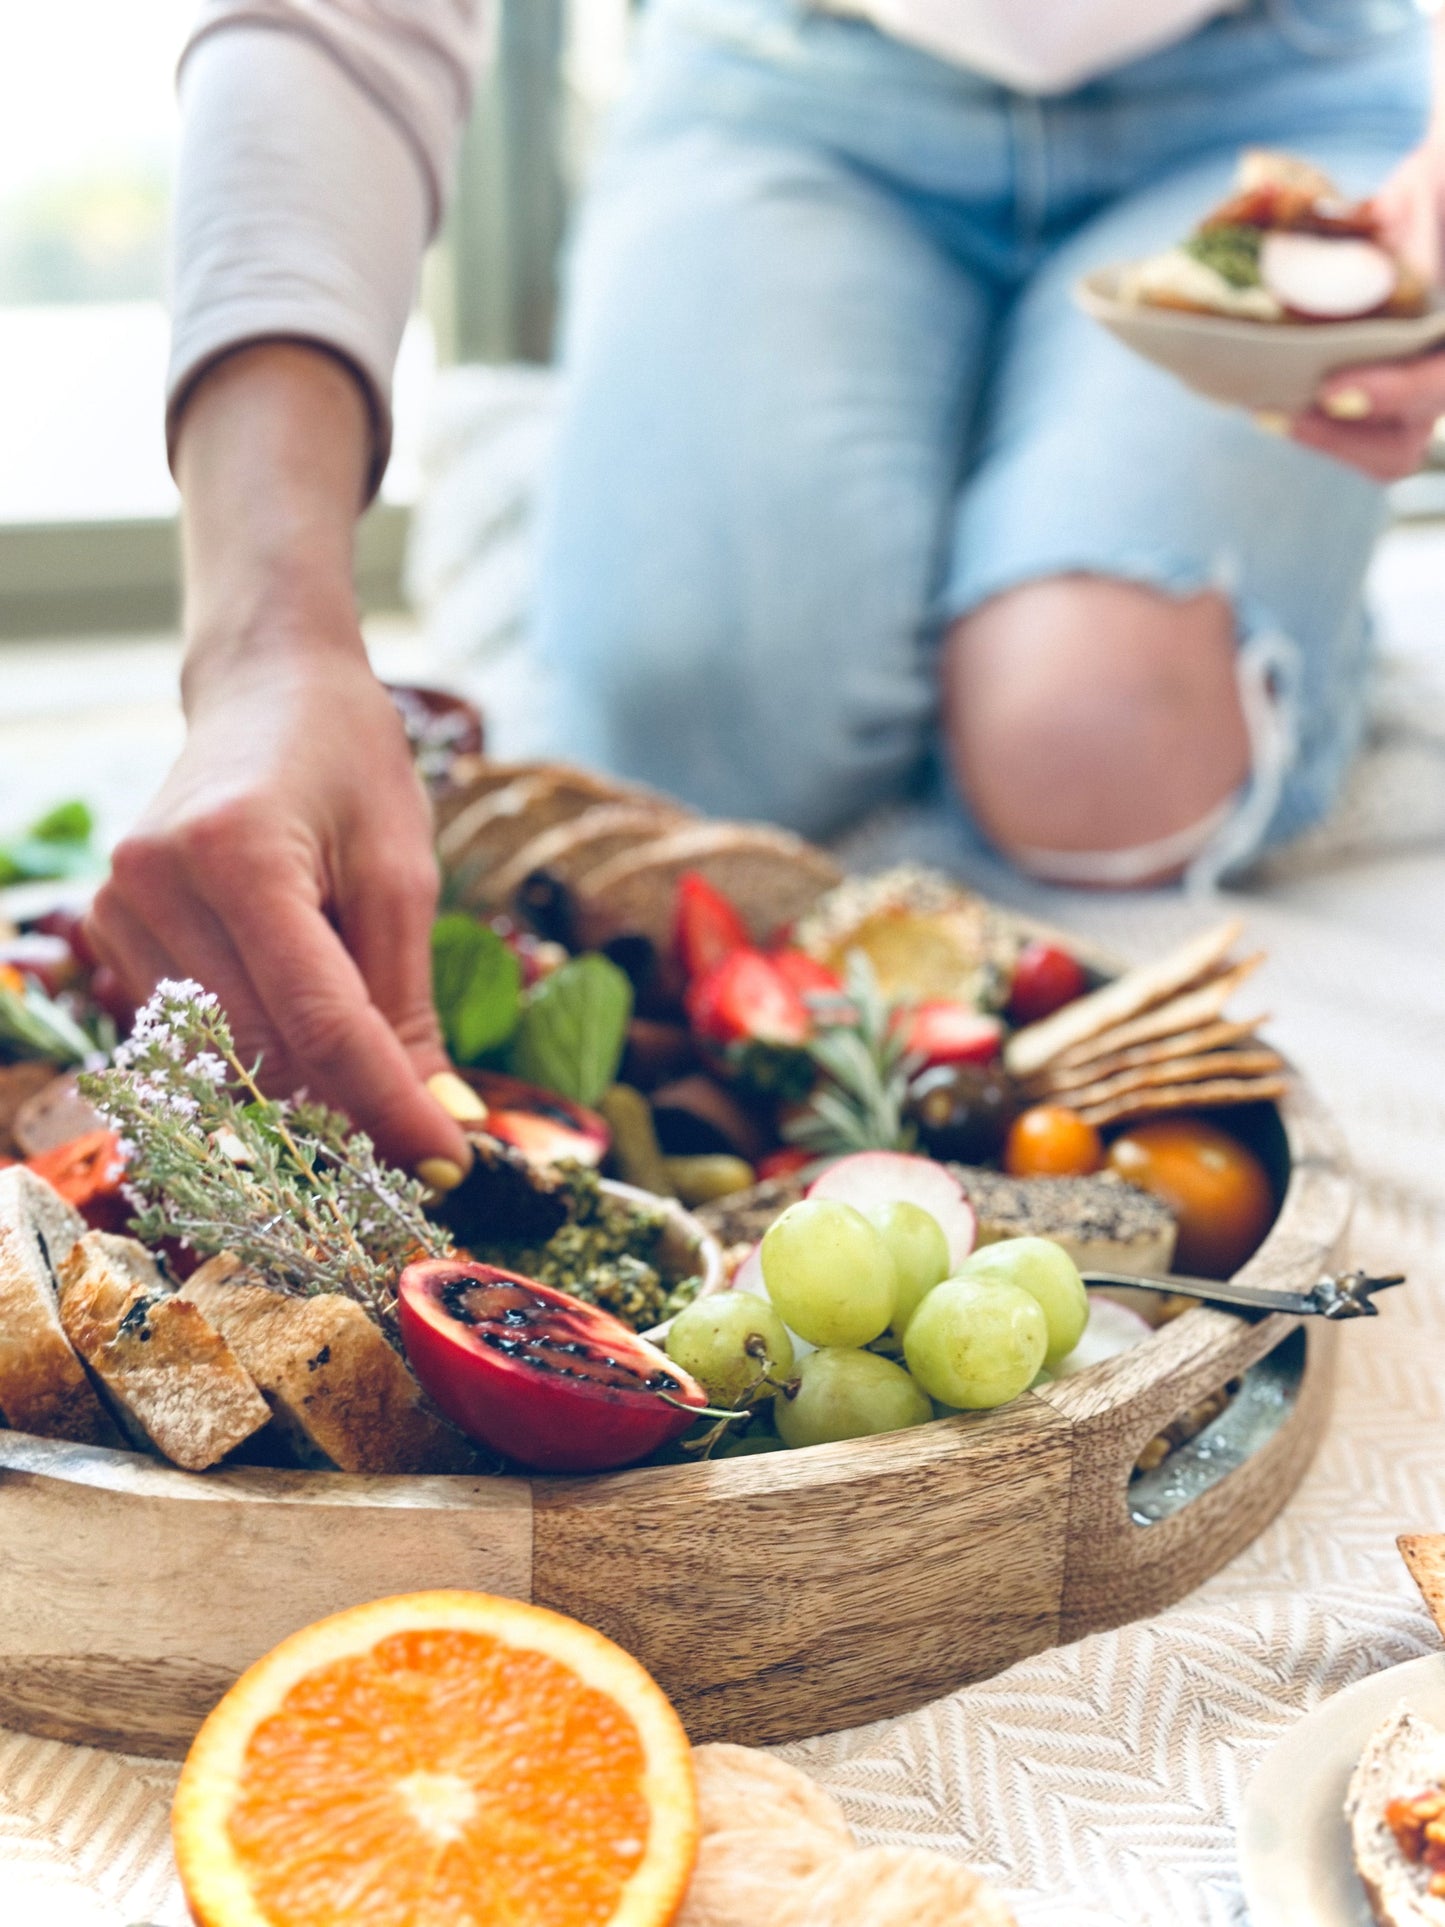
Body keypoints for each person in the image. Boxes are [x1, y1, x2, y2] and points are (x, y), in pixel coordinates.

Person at [89, 0, 1445, 1174]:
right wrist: (265, 641)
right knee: (681, 745)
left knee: (1091, 749)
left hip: (1281, 84)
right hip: (784, 79)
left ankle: (1029, 521)